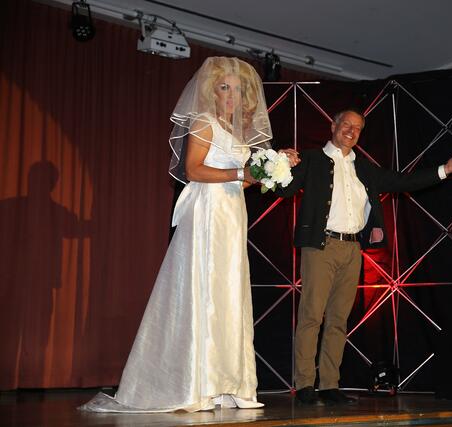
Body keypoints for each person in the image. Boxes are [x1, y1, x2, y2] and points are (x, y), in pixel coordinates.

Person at [80, 57, 298, 413]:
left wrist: (271, 167)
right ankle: (199, 385)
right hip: (207, 212)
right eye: (224, 87)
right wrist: (240, 174)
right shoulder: (204, 122)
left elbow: (244, 179)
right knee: (206, 289)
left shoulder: (238, 132)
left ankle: (229, 386)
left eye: (237, 89)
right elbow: (193, 170)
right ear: (213, 91)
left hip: (232, 213)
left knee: (229, 292)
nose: (231, 94)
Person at [277, 109, 452, 406]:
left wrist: (444, 170)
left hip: (352, 249)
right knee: (311, 316)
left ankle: (329, 384)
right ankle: (306, 383)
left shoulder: (365, 168)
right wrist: (281, 162)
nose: (351, 131)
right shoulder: (311, 159)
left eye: (357, 128)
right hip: (320, 246)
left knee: (338, 320)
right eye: (346, 124)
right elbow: (283, 189)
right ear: (333, 126)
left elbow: (402, 181)